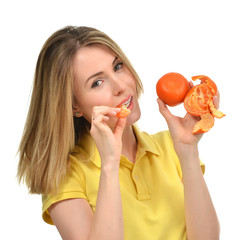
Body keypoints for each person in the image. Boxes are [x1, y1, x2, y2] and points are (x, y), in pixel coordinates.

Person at [17, 26, 220, 240]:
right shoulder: (65, 175)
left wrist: (187, 152)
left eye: (118, 66)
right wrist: (110, 165)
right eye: (97, 82)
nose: (120, 86)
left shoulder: (170, 146)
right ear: (74, 106)